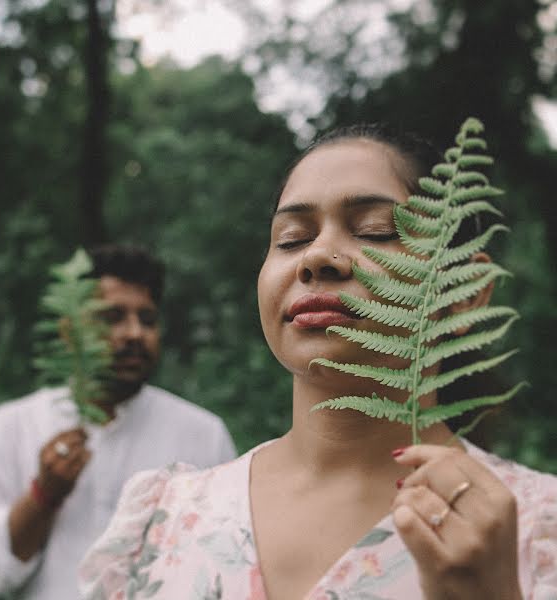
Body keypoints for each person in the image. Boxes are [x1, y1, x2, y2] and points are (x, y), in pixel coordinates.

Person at [78, 127, 557, 600]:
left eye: (375, 230)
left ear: (463, 295)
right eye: (290, 239)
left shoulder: (534, 530)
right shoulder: (160, 521)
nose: (317, 256)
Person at [0, 244, 237, 600]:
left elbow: (229, 573)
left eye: (147, 319)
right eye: (112, 317)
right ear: (68, 331)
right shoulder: (10, 429)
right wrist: (42, 497)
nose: (135, 333)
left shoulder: (203, 435)